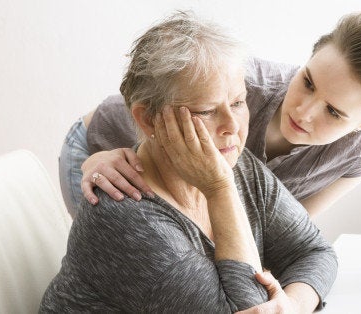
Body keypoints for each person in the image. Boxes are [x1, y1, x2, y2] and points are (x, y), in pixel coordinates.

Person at [41, 11, 337, 312]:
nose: (232, 127)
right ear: (148, 119)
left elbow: (314, 252)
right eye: (207, 110)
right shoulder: (125, 217)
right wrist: (220, 189)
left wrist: (294, 306)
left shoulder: (238, 164)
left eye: (237, 102)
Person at [59, 11, 361, 218]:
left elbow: (292, 229)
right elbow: (141, 105)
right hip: (101, 146)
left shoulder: (359, 152)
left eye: (333, 111)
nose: (304, 110)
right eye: (308, 82)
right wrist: (97, 159)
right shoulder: (244, 84)